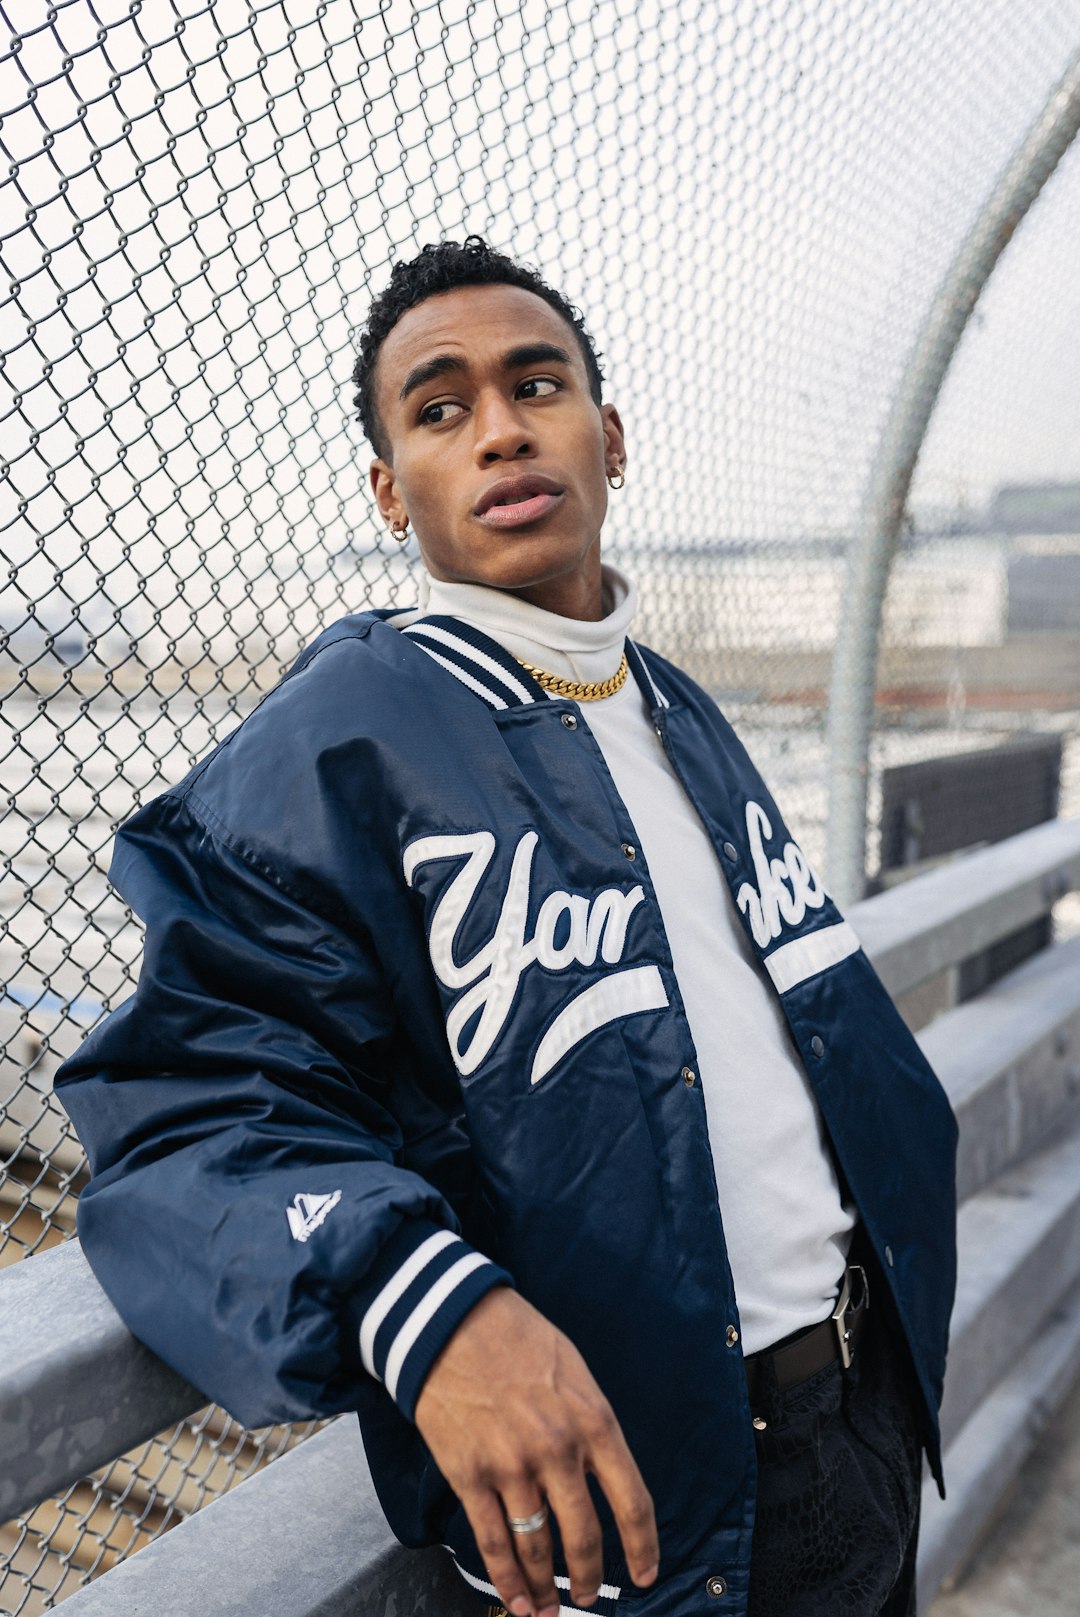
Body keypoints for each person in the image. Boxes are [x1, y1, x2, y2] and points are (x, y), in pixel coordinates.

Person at [56, 236, 958, 1617]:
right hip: (632, 1520)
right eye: (439, 407)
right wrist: (433, 1303)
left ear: (609, 436)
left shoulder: (675, 706)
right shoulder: (342, 732)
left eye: (536, 385)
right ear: (387, 489)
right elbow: (188, 1102)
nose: (498, 430)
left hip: (866, 1429)